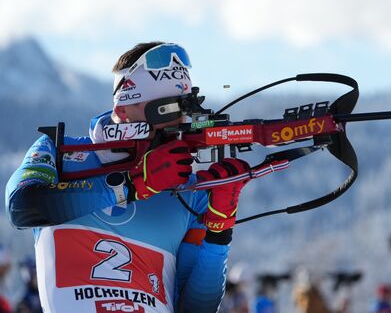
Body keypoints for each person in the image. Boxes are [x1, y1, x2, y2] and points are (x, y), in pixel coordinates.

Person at [5, 42, 252, 312]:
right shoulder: (59, 152)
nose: (178, 121)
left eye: (184, 109)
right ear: (123, 110)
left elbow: (195, 308)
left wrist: (219, 232)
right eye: (166, 110)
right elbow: (22, 207)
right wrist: (131, 186)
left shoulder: (189, 191)